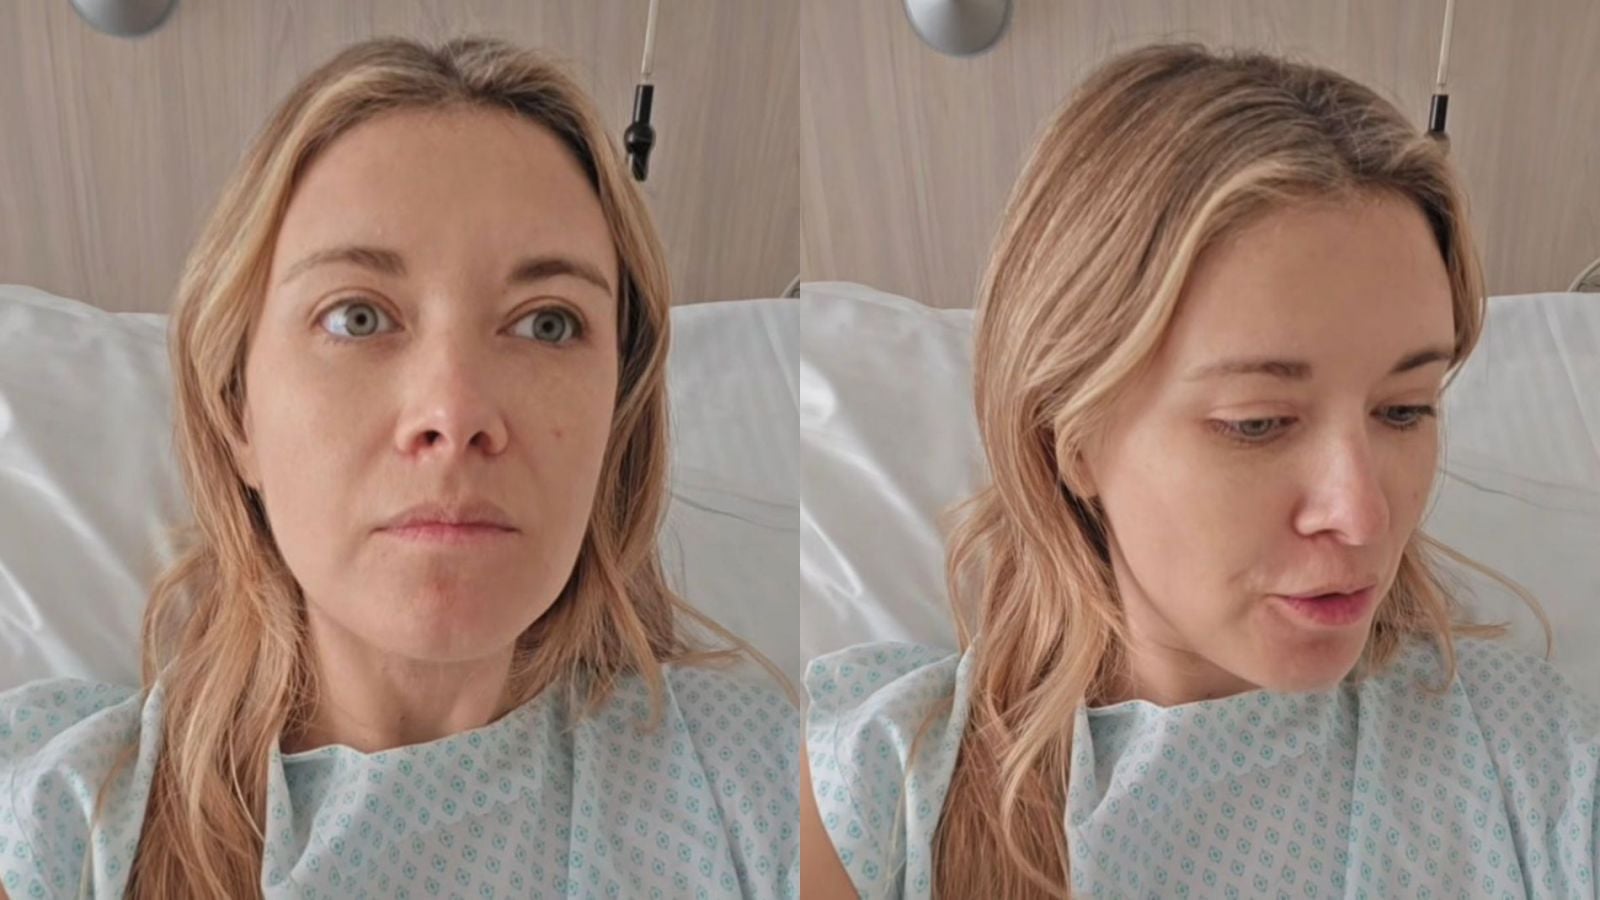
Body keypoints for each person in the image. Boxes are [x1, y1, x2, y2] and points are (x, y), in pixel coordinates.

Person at [0, 36, 796, 900]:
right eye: (356, 317)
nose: (454, 413)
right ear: (236, 412)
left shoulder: (762, 786)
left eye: (549, 323)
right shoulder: (64, 821)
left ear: (617, 416)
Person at [801, 43, 1598, 899]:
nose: (1363, 515)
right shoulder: (884, 799)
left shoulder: (1534, 766)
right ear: (1070, 437)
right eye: (1257, 423)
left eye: (1404, 410)